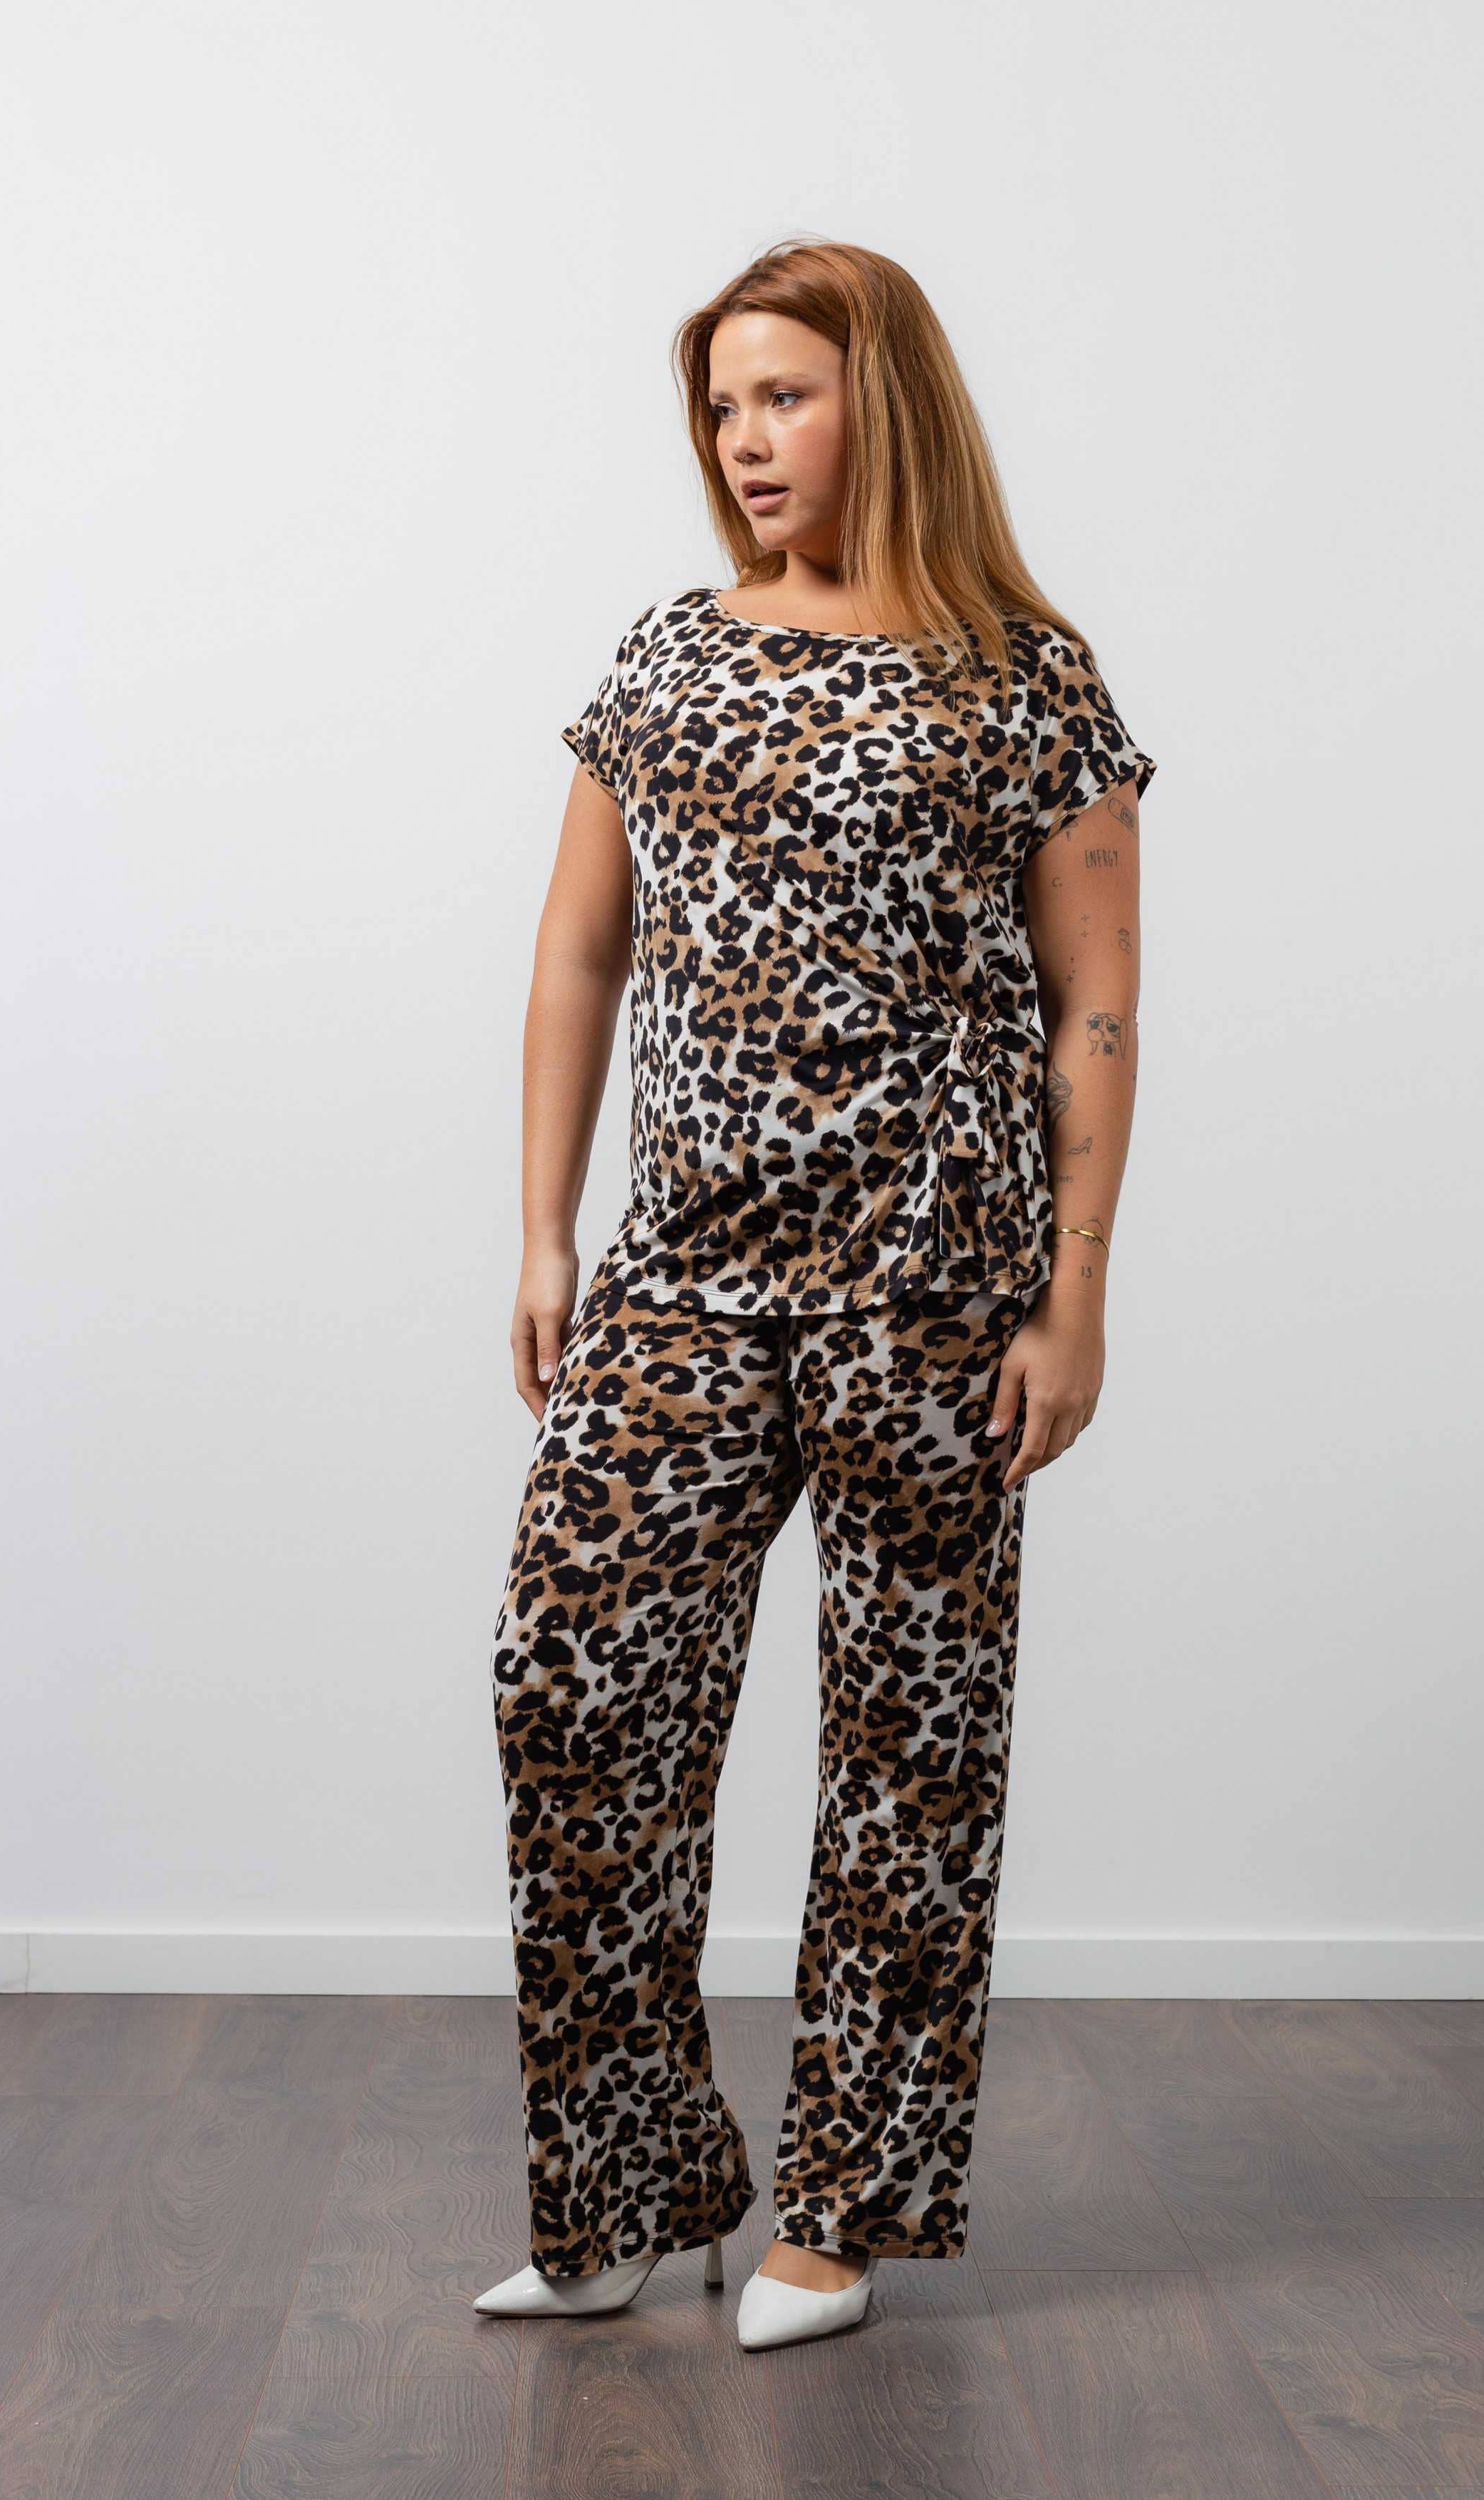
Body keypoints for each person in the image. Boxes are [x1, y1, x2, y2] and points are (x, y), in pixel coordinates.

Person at [477, 237, 1156, 2352]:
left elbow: (1097, 1010)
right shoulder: (669, 657)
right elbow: (580, 950)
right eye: (723, 406)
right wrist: (545, 1230)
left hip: (936, 1283)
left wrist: (1076, 1296)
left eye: (785, 395)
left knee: (909, 1749)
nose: (743, 441)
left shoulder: (1025, 677)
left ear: (890, 403)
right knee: (571, 1682)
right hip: (685, 1272)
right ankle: (628, 2187)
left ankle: (842, 2210)